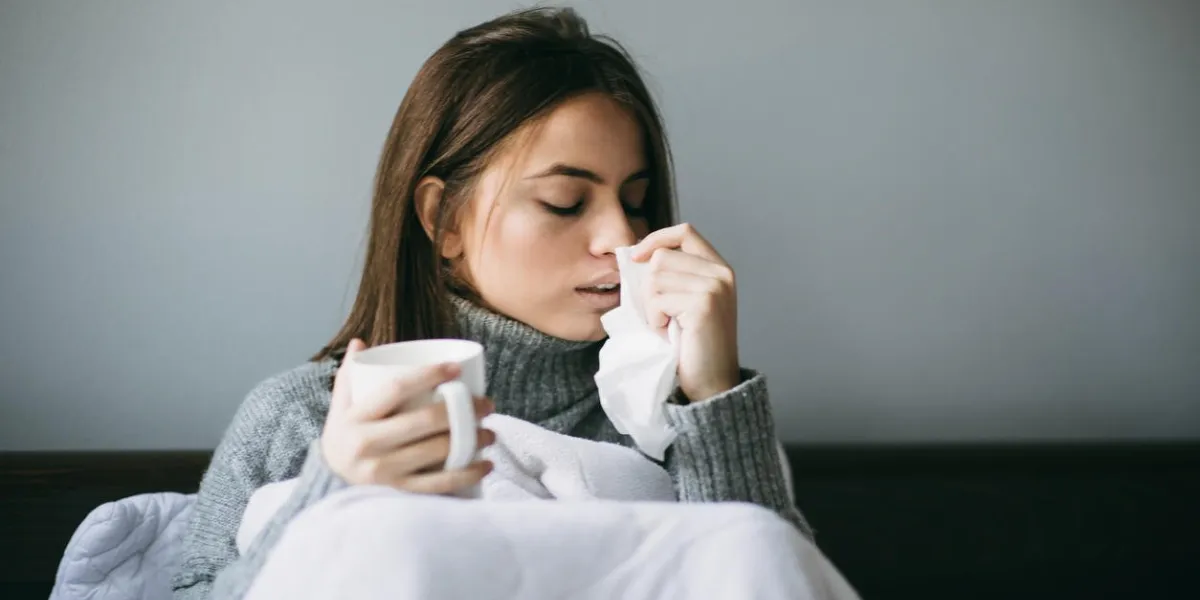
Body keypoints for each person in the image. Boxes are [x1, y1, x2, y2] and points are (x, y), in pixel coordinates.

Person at [172, 7, 811, 599]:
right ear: (443, 219)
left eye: (636, 200)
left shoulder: (672, 419)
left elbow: (764, 573)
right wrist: (329, 491)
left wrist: (712, 396)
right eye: (565, 201)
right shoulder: (299, 419)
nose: (622, 238)